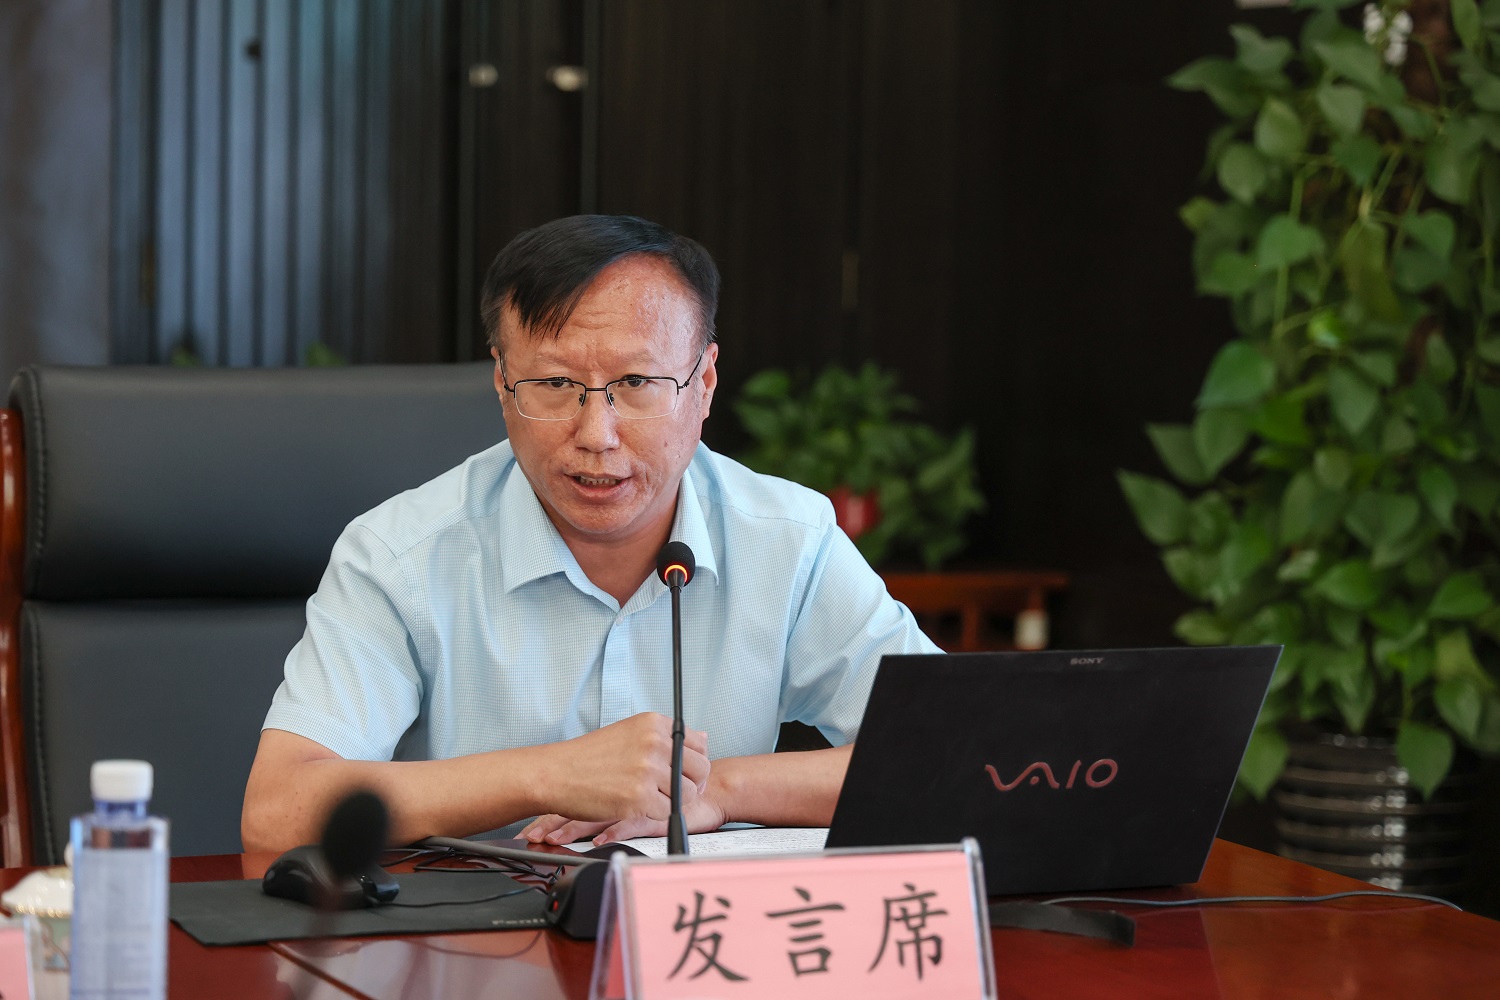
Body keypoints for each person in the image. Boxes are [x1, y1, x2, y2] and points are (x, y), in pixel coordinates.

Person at [241, 215, 939, 853]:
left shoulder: (788, 539)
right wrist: (548, 775)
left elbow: (953, 755)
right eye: (553, 385)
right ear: (502, 382)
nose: (596, 434)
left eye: (636, 382)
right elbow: (276, 811)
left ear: (703, 384)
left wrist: (711, 791)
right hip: (475, 933)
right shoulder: (400, 554)